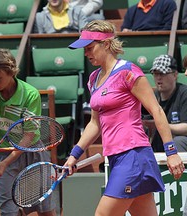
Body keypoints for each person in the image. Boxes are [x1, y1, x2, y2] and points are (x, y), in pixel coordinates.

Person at [64, 20, 184, 216]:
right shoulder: (93, 79)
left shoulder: (128, 72)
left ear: (106, 44)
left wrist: (171, 151)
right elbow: (95, 123)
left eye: (89, 47)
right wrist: (73, 155)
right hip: (117, 157)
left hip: (133, 154)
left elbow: (157, 111)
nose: (86, 53)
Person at [0, 48, 57, 216]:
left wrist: (6, 163)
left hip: (30, 151)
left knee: (44, 210)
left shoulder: (30, 95)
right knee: (7, 211)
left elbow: (28, 135)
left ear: (11, 72)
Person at [144, 54, 187, 152]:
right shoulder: (152, 96)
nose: (159, 78)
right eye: (155, 73)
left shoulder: (184, 93)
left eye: (162, 73)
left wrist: (159, 125)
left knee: (178, 141)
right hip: (159, 144)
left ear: (175, 75)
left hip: (180, 143)